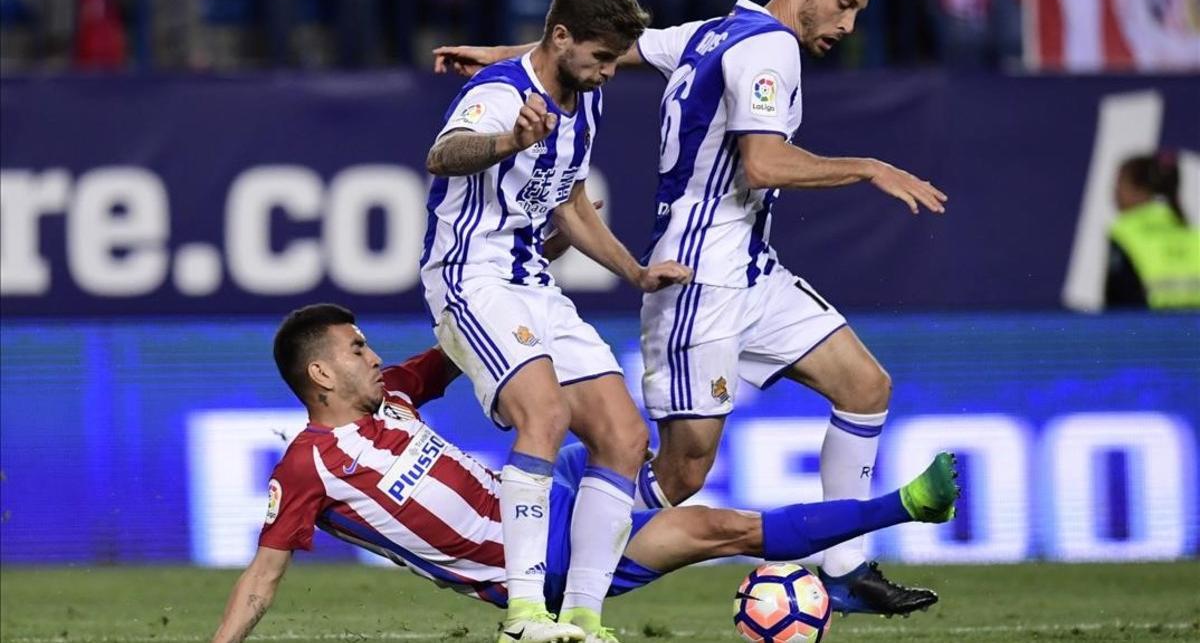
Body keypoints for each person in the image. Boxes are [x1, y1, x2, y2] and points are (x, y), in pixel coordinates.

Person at [433, 0, 951, 617]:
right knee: (680, 476)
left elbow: (610, 47)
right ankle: (571, 508)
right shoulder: (771, 48)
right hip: (699, 278)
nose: (847, 26)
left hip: (753, 268)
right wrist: (869, 166)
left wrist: (500, 55)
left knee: (865, 386)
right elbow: (762, 162)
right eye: (843, 5)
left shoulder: (713, 32)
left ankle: (844, 570)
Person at [209, 302, 961, 643]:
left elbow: (463, 343)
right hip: (541, 561)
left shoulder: (395, 396)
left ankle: (712, 371)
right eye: (356, 348)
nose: (373, 355)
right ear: (320, 372)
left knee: (642, 444)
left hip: (553, 492)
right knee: (717, 527)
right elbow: (261, 577)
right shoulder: (309, 465)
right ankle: (904, 506)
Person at [420, 0, 693, 640]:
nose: (607, 72)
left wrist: (632, 270)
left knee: (625, 437)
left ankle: (581, 617)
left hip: (533, 280)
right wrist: (510, 140)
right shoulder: (499, 94)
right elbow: (443, 153)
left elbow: (568, 200)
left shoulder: (585, 97)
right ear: (562, 37)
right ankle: (523, 614)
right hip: (469, 276)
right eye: (600, 57)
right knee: (543, 413)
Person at [1105, 151, 1200, 310]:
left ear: (1139, 189)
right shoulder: (1190, 232)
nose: (1114, 193)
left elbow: (1119, 297)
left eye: (1119, 184)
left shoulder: (1125, 232)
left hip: (1148, 328)